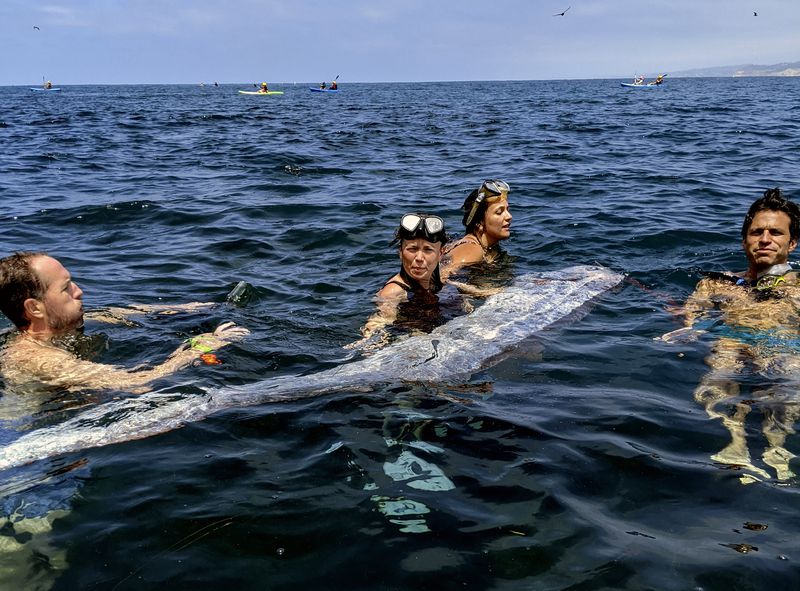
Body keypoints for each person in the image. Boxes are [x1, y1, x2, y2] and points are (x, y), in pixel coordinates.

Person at [662, 188, 800, 483]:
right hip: (731, 340)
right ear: (744, 240)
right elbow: (692, 316)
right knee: (722, 366)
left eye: (775, 232)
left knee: (790, 373)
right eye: (756, 232)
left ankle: (777, 447)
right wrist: (685, 325)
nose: (765, 239)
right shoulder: (715, 283)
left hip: (784, 344)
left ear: (793, 242)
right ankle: (735, 441)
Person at [0, 252, 249, 393]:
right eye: (66, 289)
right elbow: (137, 382)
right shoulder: (37, 359)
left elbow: (120, 312)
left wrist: (183, 309)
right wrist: (198, 349)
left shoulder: (62, 326)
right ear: (34, 308)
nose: (79, 291)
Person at [355, 214, 448, 346]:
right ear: (400, 252)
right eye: (412, 249)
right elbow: (380, 320)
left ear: (441, 253)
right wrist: (369, 340)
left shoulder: (436, 281)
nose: (419, 258)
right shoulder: (393, 291)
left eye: (428, 250)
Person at [440, 179, 512, 281]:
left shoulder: (485, 247)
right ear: (480, 221)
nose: (509, 216)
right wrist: (484, 292)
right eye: (499, 212)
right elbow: (441, 278)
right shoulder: (472, 250)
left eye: (507, 210)